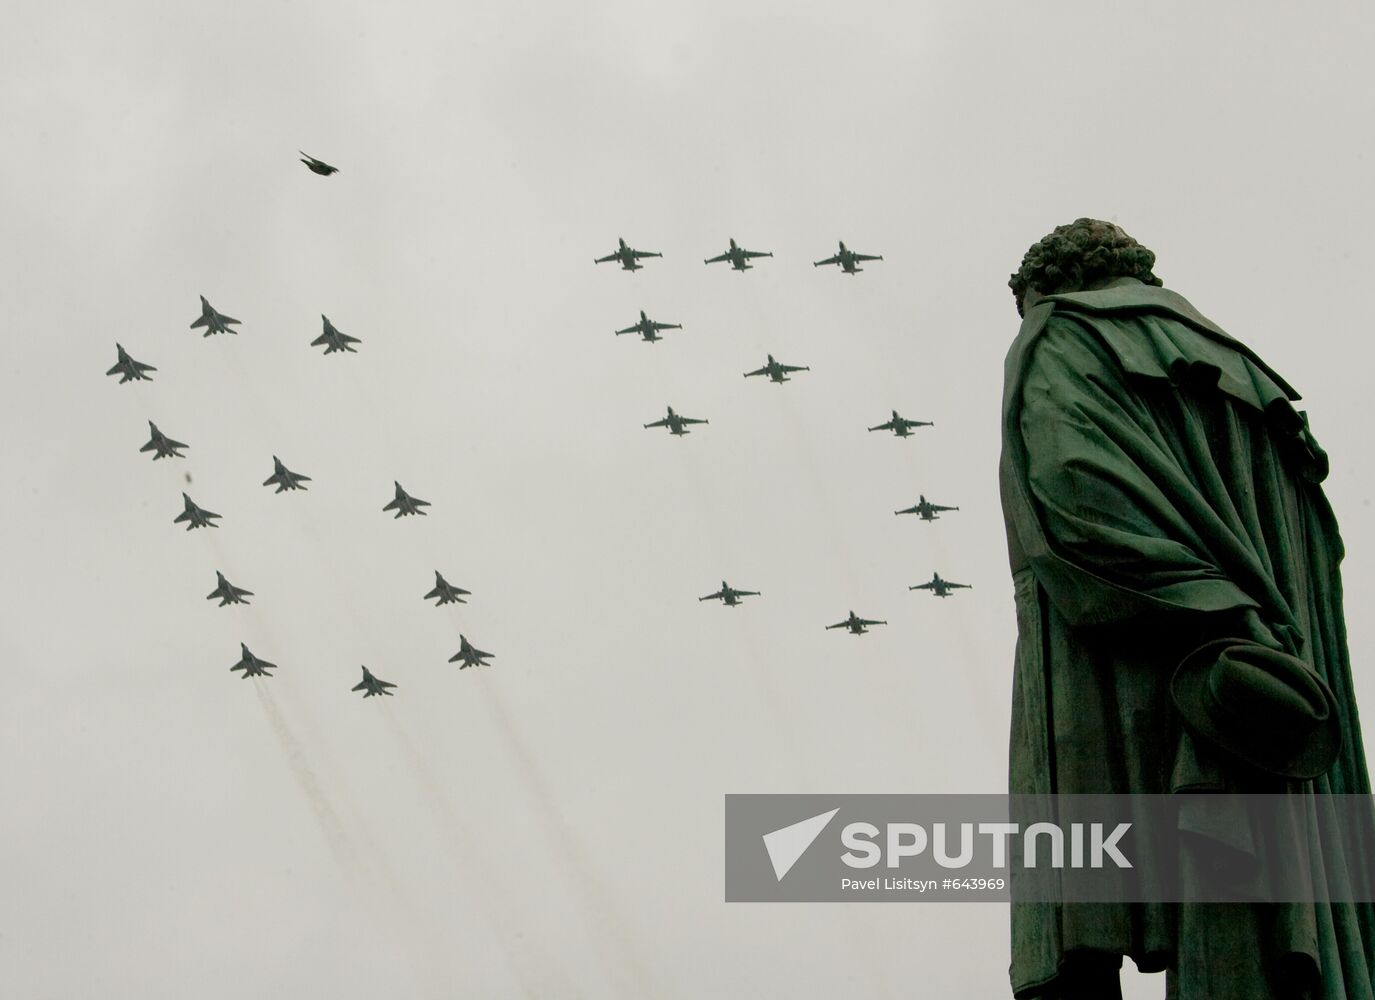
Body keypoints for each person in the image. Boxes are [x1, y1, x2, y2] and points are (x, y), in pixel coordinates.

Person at [999, 218, 1375, 999]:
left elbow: (1072, 488)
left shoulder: (1059, 332)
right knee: (1248, 903)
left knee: (1102, 898)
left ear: (1042, 284)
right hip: (1270, 686)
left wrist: (1211, 608)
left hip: (1161, 654)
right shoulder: (1253, 382)